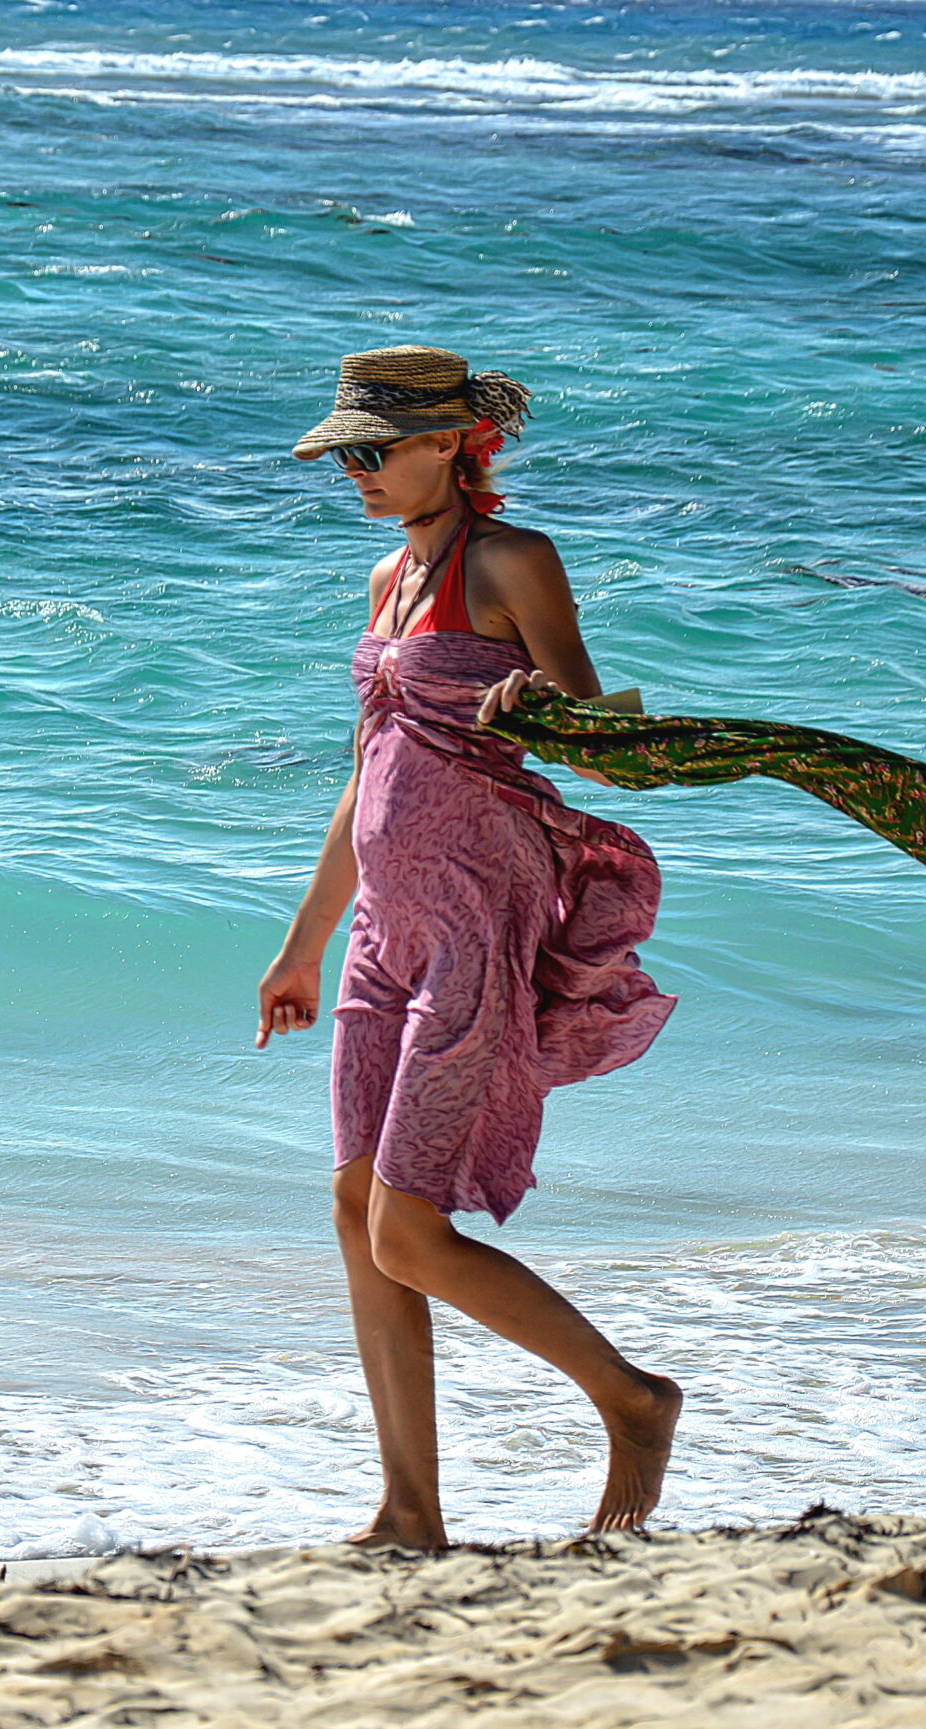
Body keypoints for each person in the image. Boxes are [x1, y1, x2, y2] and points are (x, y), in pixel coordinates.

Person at [255, 346, 684, 1548]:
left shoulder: (511, 561)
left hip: (473, 924)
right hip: (381, 933)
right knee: (354, 1207)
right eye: (345, 454)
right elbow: (366, 769)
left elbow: (600, 739)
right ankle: (408, 1509)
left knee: (406, 1225)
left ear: (451, 440)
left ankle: (632, 1399)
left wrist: (539, 711)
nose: (357, 472)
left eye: (373, 450)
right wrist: (303, 942)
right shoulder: (390, 574)